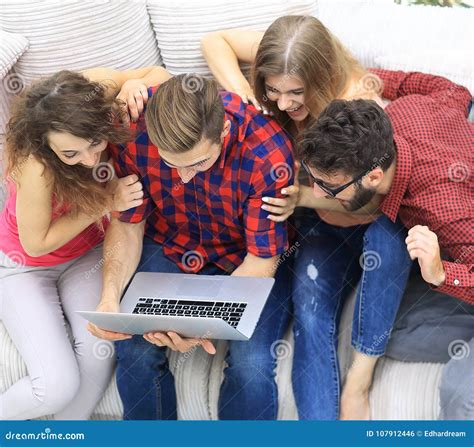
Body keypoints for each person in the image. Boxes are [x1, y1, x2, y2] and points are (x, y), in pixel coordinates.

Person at [202, 15, 412, 419]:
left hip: (368, 218)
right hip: (319, 228)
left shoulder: (356, 109)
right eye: (274, 90)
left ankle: (357, 387)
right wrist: (247, 96)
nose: (283, 104)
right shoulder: (288, 59)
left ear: (321, 77)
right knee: (311, 314)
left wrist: (301, 196)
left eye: (296, 92)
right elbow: (215, 41)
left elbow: (371, 203)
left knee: (384, 243)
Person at [87, 73, 295, 420]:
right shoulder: (134, 129)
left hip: (246, 257)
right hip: (171, 242)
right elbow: (128, 223)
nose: (185, 177)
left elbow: (261, 260)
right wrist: (110, 295)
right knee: (134, 349)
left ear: (223, 133)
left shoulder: (267, 153)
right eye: (171, 164)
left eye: (199, 163)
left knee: (252, 364)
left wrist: (193, 324)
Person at [299, 69, 474, 420]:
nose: (317, 194)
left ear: (374, 177)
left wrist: (442, 274)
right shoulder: (400, 114)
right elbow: (454, 90)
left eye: (330, 188)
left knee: (458, 388)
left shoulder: (445, 210)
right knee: (381, 331)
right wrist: (375, 78)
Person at [0, 65, 168, 420]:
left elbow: (159, 75)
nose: (91, 160)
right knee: (56, 387)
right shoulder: (36, 165)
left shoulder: (96, 95)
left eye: (95, 144)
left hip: (85, 256)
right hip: (24, 267)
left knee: (100, 355)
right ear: (47, 147)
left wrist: (136, 86)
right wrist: (105, 202)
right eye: (71, 155)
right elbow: (36, 244)